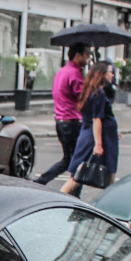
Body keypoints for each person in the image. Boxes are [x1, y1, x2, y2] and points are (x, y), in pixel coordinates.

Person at [61, 61, 119, 198]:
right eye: (110, 72)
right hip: (96, 140)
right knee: (81, 176)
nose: (112, 75)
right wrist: (98, 144)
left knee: (79, 174)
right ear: (102, 74)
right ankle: (58, 199)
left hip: (92, 136)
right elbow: (97, 119)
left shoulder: (90, 91)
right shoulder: (99, 94)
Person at [34, 43, 89, 185]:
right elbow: (83, 97)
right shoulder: (75, 73)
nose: (88, 58)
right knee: (78, 160)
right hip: (72, 122)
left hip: (61, 120)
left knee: (68, 159)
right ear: (78, 56)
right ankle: (73, 194)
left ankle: (41, 181)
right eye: (86, 54)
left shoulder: (62, 71)